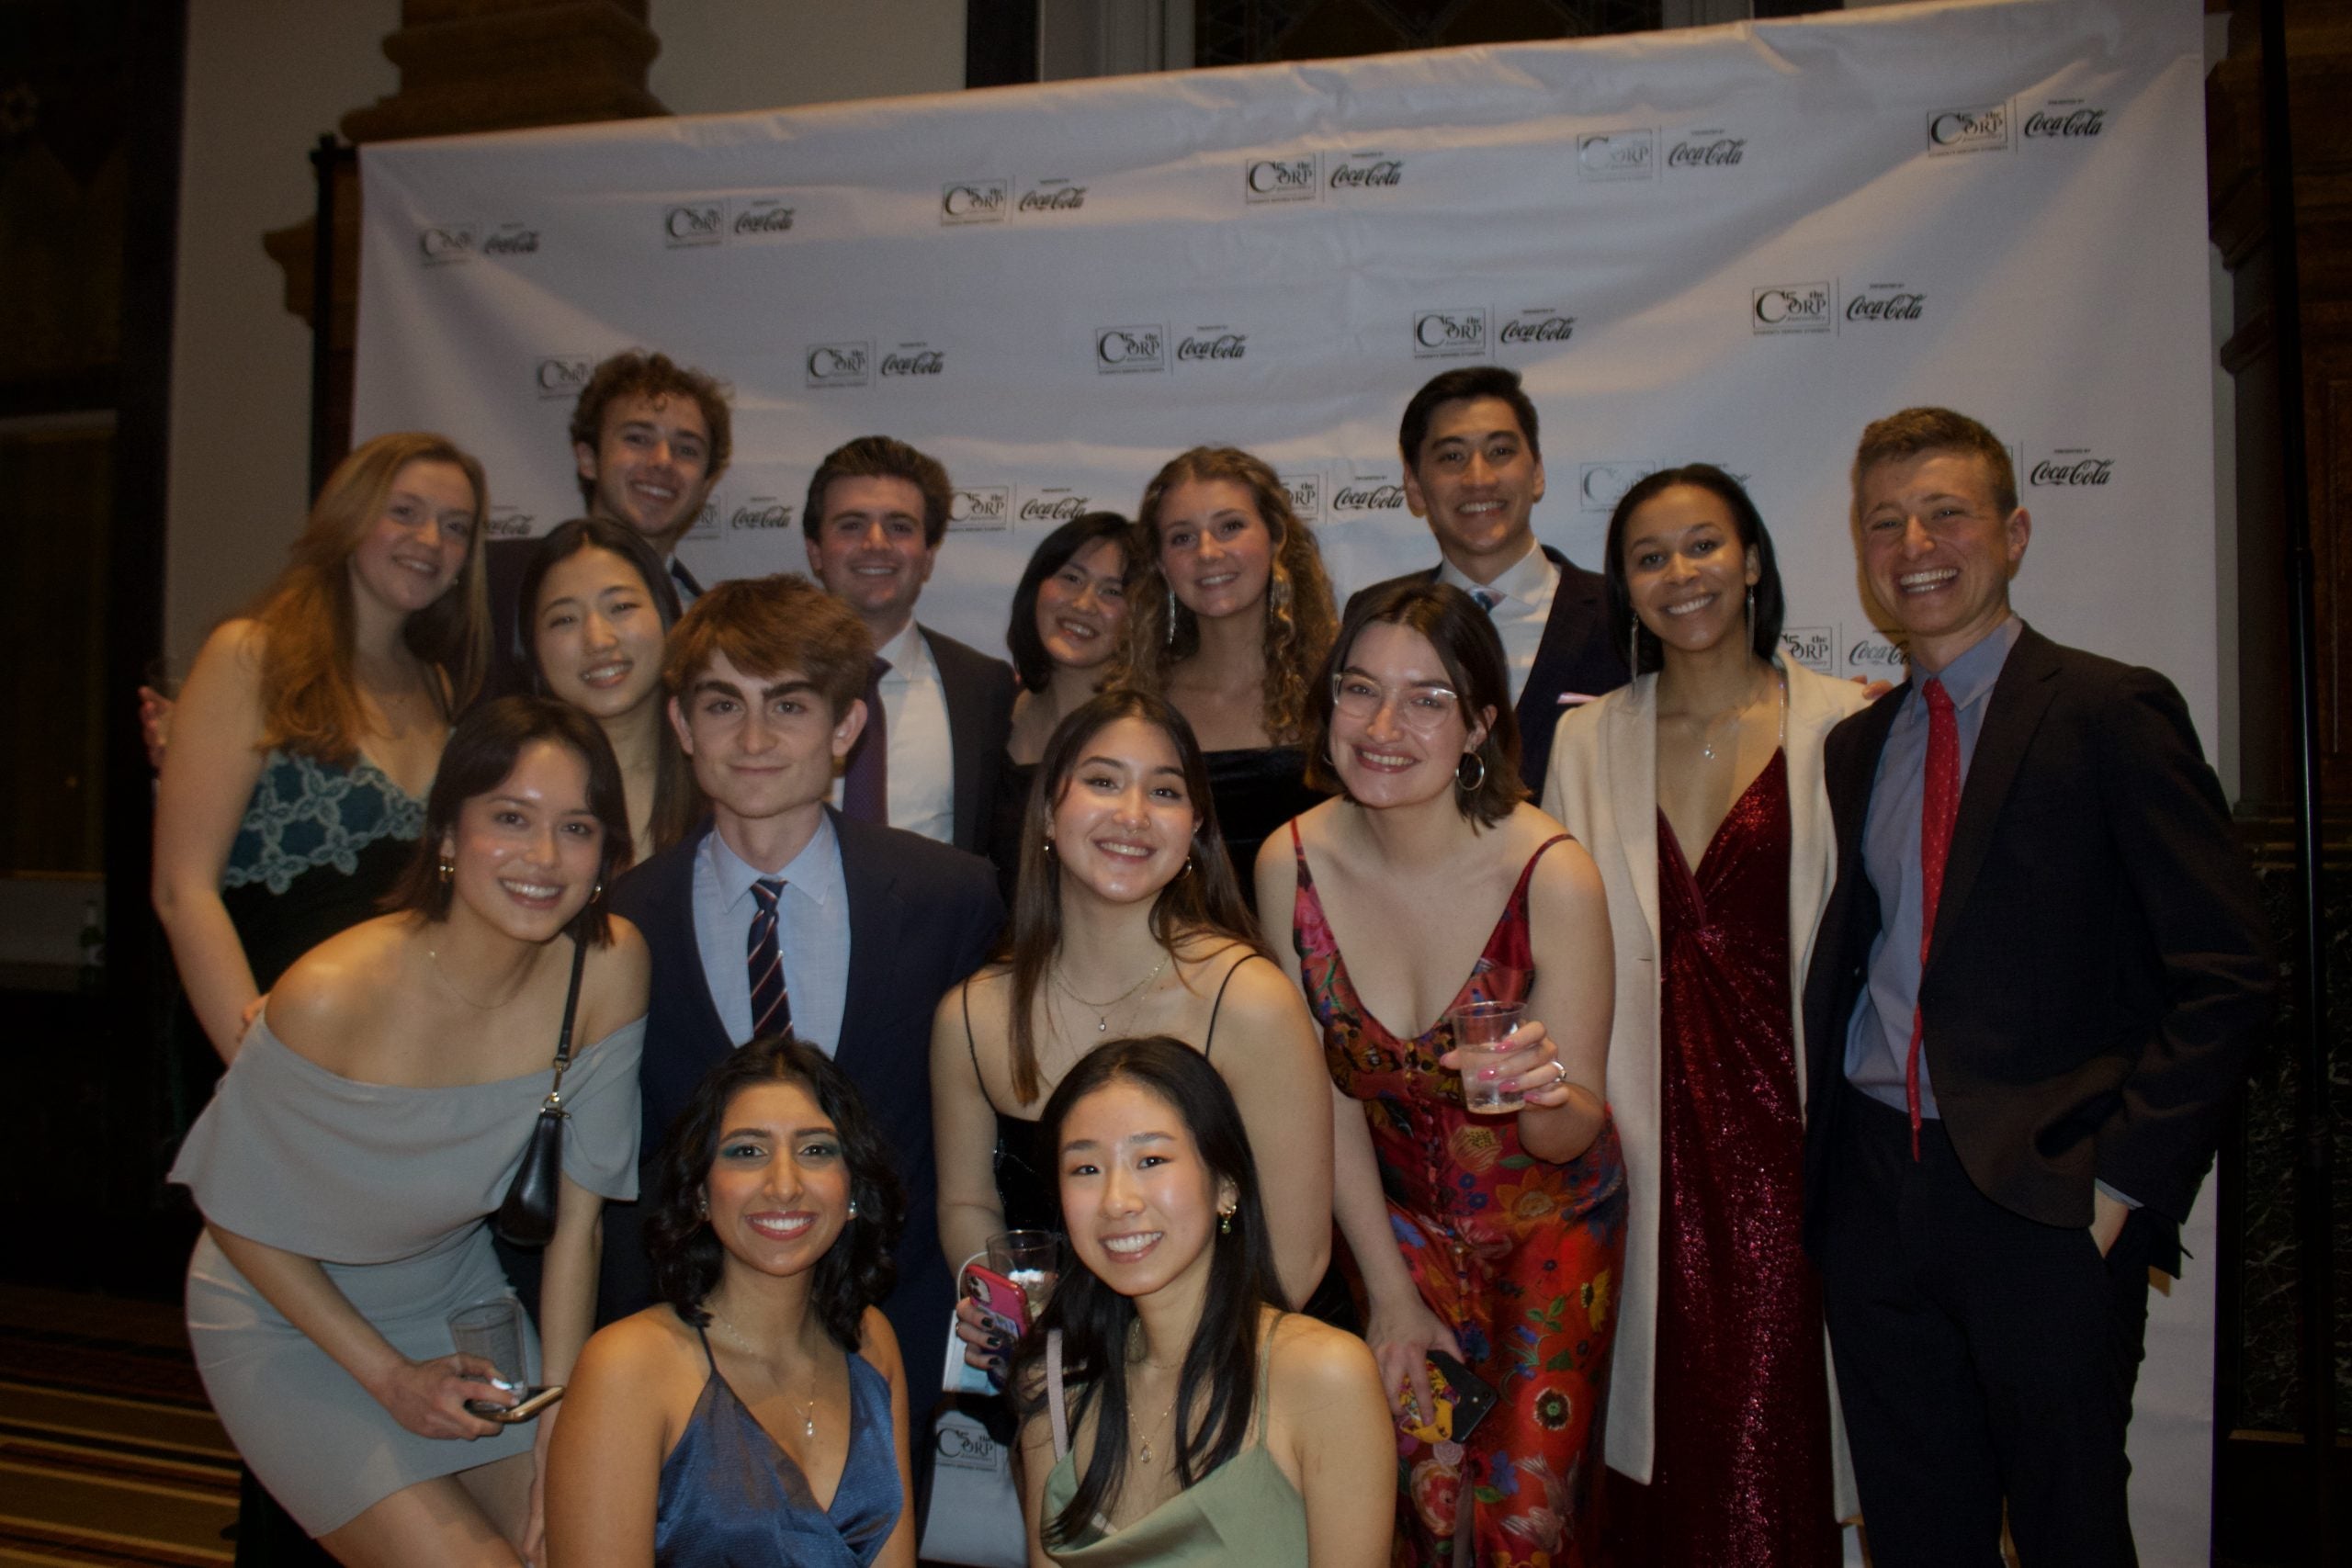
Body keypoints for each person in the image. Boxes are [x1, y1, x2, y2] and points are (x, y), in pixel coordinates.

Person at [1803, 408, 2274, 1566]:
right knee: (1918, 1531)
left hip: (2046, 1202)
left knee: (2068, 1526)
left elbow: (2228, 971)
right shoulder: (1859, 746)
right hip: (1874, 1185)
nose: (1915, 540)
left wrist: (2119, 1184)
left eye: (1947, 512)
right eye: (1885, 521)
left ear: (2012, 533)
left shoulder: (2110, 711)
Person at [169, 695, 649, 1564]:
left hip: (458, 1308)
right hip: (289, 1319)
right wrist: (388, 1377)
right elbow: (232, 1210)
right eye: (511, 817)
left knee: (586, 1547)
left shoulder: (609, 967)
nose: (544, 857)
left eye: (577, 827)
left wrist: (559, 1408)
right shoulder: (331, 992)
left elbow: (578, 1224)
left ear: (607, 853)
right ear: (448, 834)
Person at [1258, 580, 1624, 1568]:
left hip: (1549, 1228)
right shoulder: (1289, 863)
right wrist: (1386, 1291)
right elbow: (1324, 1096)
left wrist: (1543, 1092)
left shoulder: (1549, 871)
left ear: (1478, 728)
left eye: (1427, 700)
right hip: (1397, 1228)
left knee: (1524, 1524)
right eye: (1359, 690)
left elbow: (1570, 1125)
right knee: (1418, 1506)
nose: (1383, 726)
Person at [1543, 466, 1865, 1564]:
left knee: (1776, 1421)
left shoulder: (1844, 724)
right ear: (1622, 587)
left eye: (1702, 545)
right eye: (1648, 556)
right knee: (1651, 1427)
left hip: (1795, 1136)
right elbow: (1545, 940)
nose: (1679, 574)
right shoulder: (1585, 743)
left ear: (1754, 559)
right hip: (1636, 1134)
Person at [605, 573, 1003, 1392]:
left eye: (788, 705)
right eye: (722, 705)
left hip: (899, 1332)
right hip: (686, 1344)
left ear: (846, 725)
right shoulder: (621, 917)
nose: (754, 736)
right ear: (681, 723)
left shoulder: (950, 897)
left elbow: (982, 1147)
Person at [932, 690, 1333, 1349]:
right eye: (1102, 781)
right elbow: (967, 1203)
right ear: (1047, 815)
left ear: (1197, 830)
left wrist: (1154, 1379)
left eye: (1166, 791)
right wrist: (1002, 1303)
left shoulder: (1250, 1001)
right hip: (1048, 1377)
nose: (1133, 814)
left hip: (1226, 1366)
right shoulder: (970, 1016)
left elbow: (1295, 1256)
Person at [153, 431, 491, 1066]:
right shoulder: (252, 656)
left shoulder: (436, 682)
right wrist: (259, 1061)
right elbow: (182, 890)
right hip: (262, 1038)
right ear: (350, 517)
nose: (430, 541)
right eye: (404, 512)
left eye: (455, 527)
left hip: (394, 1051)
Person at [1009, 1037, 1391, 1566]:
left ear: (1226, 1185)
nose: (1118, 1201)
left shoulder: (1323, 1374)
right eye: (1086, 1170)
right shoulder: (1056, 1380)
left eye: (1151, 1159)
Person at [547, 1035, 917, 1568]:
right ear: (700, 1191)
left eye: (816, 1150)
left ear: (853, 1187)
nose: (784, 1185)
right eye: (747, 1151)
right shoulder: (628, 1366)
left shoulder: (870, 1341)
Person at [1348, 367, 1627, 799]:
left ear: (1536, 472)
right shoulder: (1376, 615)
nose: (1478, 478)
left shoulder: (1621, 614)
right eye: (1452, 457)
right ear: (1414, 486)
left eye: (1500, 451)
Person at [1115, 446, 1338, 904]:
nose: (1208, 552)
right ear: (1161, 563)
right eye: (1182, 537)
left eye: (1230, 527)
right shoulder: (1140, 705)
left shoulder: (1341, 692)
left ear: (1276, 537)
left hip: (1319, 959)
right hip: (1179, 962)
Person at [801, 434, 1017, 854]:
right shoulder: (762, 678)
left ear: (929, 556)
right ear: (815, 552)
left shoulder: (982, 687)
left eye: (899, 526)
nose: (876, 543)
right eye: (851, 524)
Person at [482, 351, 732, 694]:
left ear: (706, 483)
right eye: (637, 439)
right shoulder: (496, 584)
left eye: (686, 449)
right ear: (588, 459)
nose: (662, 461)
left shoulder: (714, 626)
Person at [518, 517, 702, 864]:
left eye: (620, 608)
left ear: (666, 615)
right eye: (565, 620)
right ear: (533, 647)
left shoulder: (725, 771)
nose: (598, 641)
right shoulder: (507, 784)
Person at [993, 513, 1132, 897]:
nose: (1084, 604)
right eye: (1071, 578)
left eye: (1112, 591)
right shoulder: (989, 710)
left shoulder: (1147, 731)